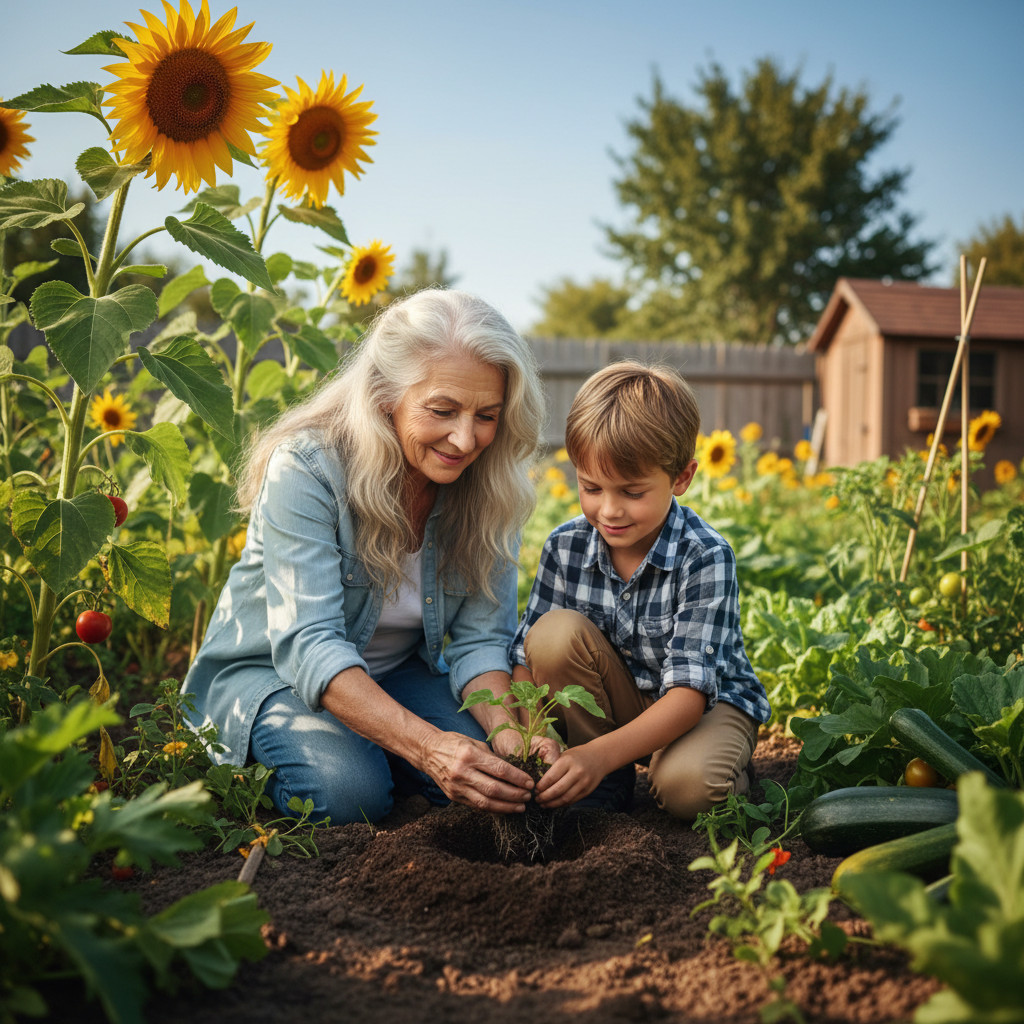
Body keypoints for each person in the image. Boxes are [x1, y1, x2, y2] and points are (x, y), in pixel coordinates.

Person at [181, 289, 547, 825]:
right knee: (351, 794)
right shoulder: (307, 468)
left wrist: (510, 735)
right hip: (273, 675)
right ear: (384, 397)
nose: (466, 440)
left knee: (494, 777)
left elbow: (480, 641)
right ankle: (325, 760)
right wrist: (428, 748)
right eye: (442, 410)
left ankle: (385, 750)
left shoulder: (490, 487)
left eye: (486, 415)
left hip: (396, 673)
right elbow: (309, 645)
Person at [511, 360, 771, 818]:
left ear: (681, 478)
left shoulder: (704, 556)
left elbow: (689, 698)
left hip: (704, 707)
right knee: (551, 635)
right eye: (591, 487)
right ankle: (605, 785)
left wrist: (596, 753)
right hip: (620, 701)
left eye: (632, 492)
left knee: (690, 791)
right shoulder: (565, 546)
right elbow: (524, 663)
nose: (609, 510)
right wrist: (538, 738)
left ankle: (727, 768)